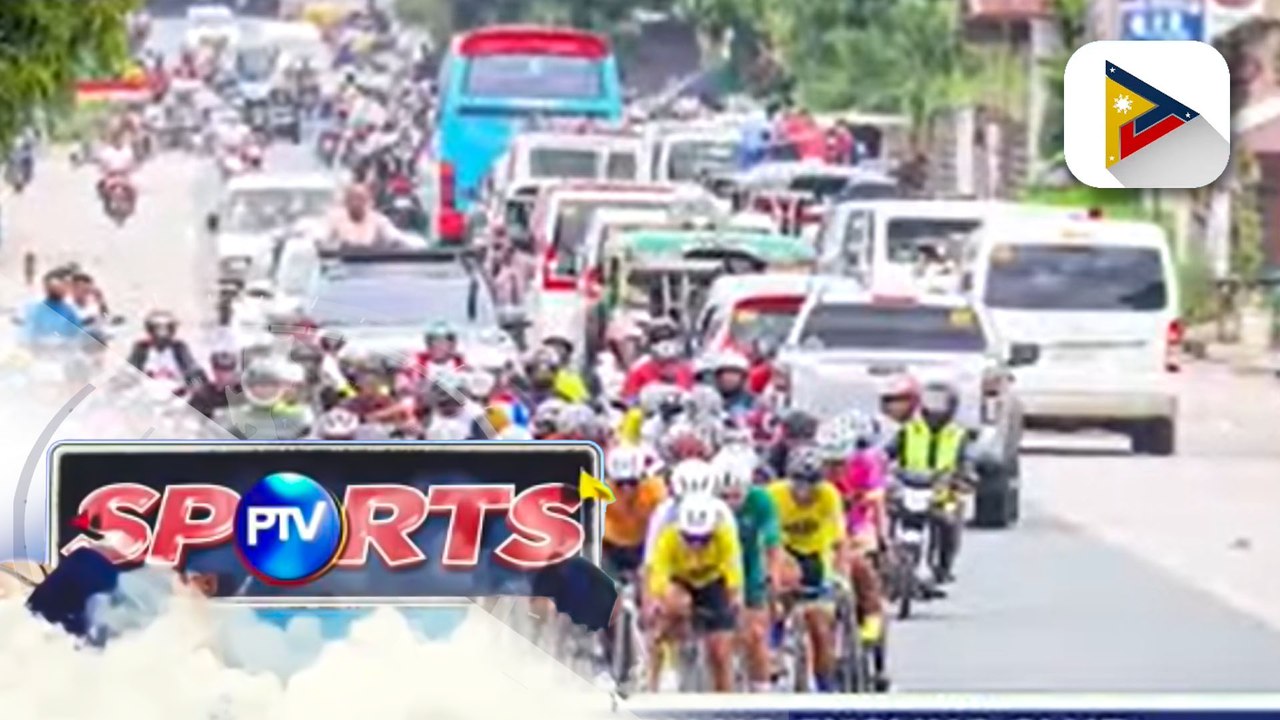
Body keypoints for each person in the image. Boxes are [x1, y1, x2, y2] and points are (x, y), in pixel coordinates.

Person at [766, 445, 849, 693]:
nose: (804, 490)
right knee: (778, 597)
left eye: (811, 483)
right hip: (784, 553)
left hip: (815, 556)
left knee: (820, 627)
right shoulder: (774, 495)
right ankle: (774, 644)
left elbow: (839, 541)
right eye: (798, 482)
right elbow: (767, 542)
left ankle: (826, 687)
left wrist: (840, 576)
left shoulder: (829, 495)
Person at [644, 493, 744, 693]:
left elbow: (733, 570)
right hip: (680, 582)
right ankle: (653, 679)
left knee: (721, 651)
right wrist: (655, 603)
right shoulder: (668, 537)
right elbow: (658, 575)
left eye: (703, 539)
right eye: (690, 539)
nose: (696, 546)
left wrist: (735, 598)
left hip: (712, 584)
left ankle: (726, 699)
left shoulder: (724, 535)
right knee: (668, 611)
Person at [884, 381, 972, 586]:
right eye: (931, 401)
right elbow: (887, 453)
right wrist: (880, 466)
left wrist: (964, 476)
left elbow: (966, 461)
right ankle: (889, 561)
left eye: (940, 402)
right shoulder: (909, 430)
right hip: (909, 485)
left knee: (948, 521)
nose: (935, 408)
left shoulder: (958, 434)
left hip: (943, 490)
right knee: (889, 512)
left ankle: (942, 566)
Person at [711, 445, 782, 693]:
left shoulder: (761, 500)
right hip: (714, 565)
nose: (730, 504)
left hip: (748, 562)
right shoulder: (704, 504)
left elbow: (772, 543)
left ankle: (761, 689)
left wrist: (773, 575)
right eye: (724, 497)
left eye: (736, 496)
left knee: (754, 633)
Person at [125, 311, 202, 389]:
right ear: (150, 330)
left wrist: (187, 386)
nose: (162, 333)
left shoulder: (179, 348)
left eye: (167, 328)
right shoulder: (141, 348)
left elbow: (194, 373)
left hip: (175, 391)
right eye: (157, 328)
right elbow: (129, 373)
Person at [327, 183, 418, 247]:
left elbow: (396, 236)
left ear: (367, 201)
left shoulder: (378, 220)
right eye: (353, 199)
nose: (356, 203)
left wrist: (417, 244)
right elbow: (323, 237)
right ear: (346, 202)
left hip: (371, 264)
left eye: (361, 199)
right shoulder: (336, 219)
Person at [22, 270, 89, 348]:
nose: (64, 288)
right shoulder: (36, 310)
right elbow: (30, 336)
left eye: (66, 285)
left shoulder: (71, 311)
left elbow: (77, 335)